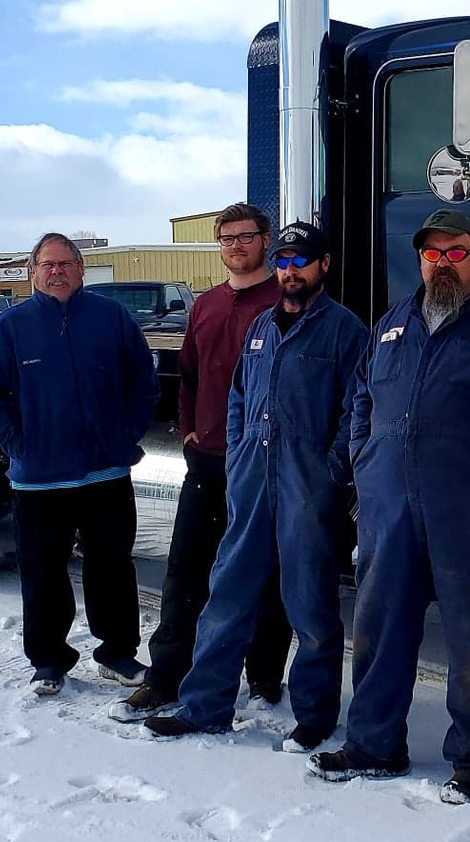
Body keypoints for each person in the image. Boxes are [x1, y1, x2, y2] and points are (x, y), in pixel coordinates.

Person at [309, 208, 470, 805]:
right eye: (432, 253)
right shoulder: (393, 322)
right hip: (390, 508)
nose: (442, 263)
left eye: (455, 252)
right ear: (420, 259)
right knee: (379, 629)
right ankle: (373, 744)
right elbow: (362, 397)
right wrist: (365, 460)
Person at [125, 222, 367, 751]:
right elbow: (238, 397)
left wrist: (332, 470)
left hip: (307, 490)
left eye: (301, 261)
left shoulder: (345, 331)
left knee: (310, 607)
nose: (290, 271)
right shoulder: (261, 328)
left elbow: (358, 409)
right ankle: (204, 706)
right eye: (282, 261)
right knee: (226, 598)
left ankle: (315, 716)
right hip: (252, 486)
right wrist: (237, 455)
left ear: (324, 265)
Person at [116, 203, 293, 713]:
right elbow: (188, 374)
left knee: (267, 574)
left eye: (246, 236)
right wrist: (190, 428)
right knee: (187, 570)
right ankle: (167, 675)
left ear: (266, 240)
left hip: (263, 464)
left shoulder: (283, 302)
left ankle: (263, 678)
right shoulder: (207, 305)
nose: (236, 246)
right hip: (209, 459)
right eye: (227, 238)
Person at [0, 231, 158, 697]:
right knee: (43, 573)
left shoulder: (111, 318)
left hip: (106, 472)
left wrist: (125, 435)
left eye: (66, 263)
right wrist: (18, 445)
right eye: (48, 264)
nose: (57, 272)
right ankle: (49, 661)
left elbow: (142, 381)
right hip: (40, 480)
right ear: (33, 272)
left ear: (81, 269)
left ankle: (117, 653)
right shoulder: (11, 327)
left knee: (112, 568)